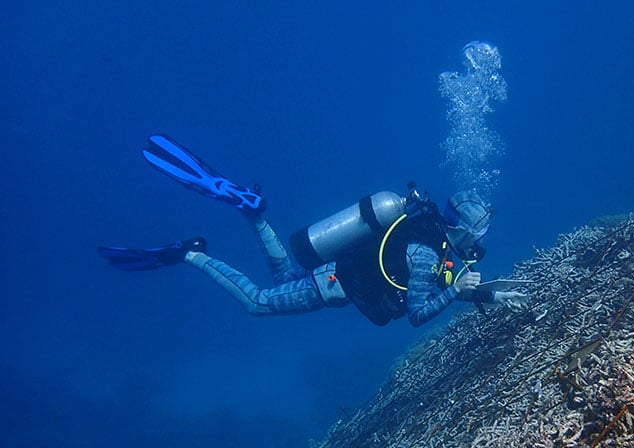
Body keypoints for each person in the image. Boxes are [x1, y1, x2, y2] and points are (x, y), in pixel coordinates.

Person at [99, 135, 527, 327]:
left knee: (284, 277)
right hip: (336, 282)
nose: (483, 240)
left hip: (339, 274)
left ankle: (253, 211)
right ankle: (190, 253)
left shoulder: (435, 239)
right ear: (467, 230)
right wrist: (457, 291)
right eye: (481, 231)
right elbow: (417, 314)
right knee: (258, 303)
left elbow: (445, 284)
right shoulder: (428, 252)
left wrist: (487, 293)